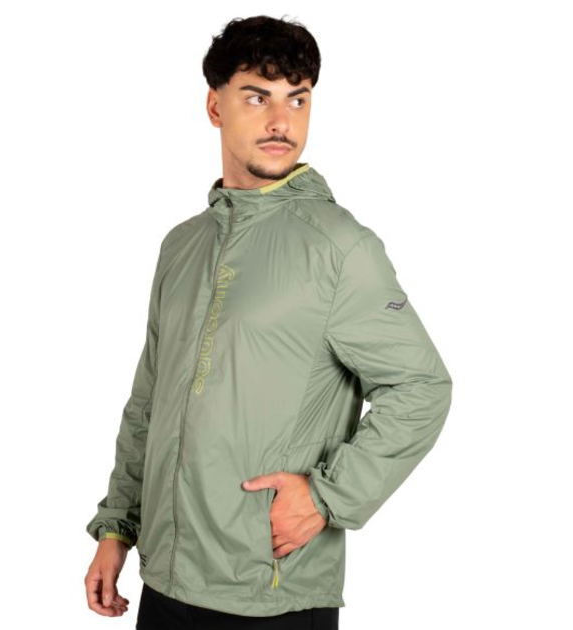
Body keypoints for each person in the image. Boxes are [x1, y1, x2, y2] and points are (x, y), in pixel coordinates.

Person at [84, 14, 453, 630]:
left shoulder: (340, 247)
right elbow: (149, 400)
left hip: (273, 592)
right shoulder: (183, 245)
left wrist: (327, 497)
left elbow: (422, 387)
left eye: (297, 99)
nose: (282, 121)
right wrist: (118, 527)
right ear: (215, 106)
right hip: (165, 583)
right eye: (258, 97)